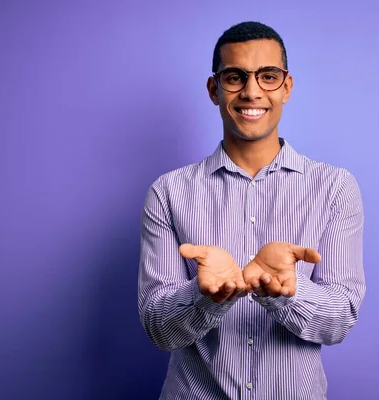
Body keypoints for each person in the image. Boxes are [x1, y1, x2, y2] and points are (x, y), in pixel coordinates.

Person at [138, 21, 365, 400]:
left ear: (286, 87)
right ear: (214, 89)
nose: (251, 91)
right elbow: (158, 329)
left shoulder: (335, 188)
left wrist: (286, 293)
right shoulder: (168, 192)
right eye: (235, 77)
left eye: (268, 76)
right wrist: (205, 296)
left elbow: (339, 320)